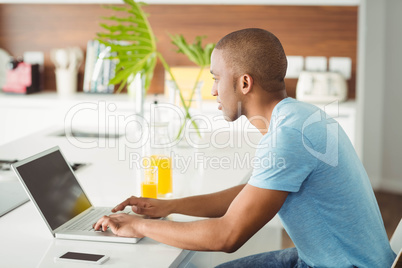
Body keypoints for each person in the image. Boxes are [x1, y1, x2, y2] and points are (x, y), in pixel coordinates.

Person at [94, 28, 396, 267]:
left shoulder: (288, 136)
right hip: (335, 258)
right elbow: (250, 193)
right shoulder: (298, 116)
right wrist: (170, 206)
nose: (212, 90)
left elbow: (228, 236)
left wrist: (138, 227)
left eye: (216, 79)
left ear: (245, 83)